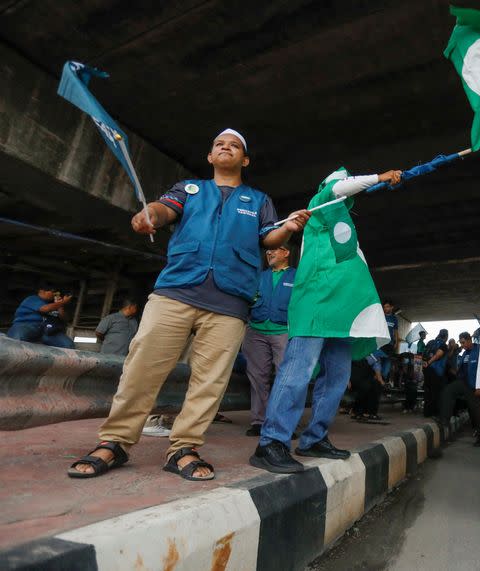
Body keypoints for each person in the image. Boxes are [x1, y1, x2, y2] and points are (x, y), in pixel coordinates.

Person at [67, 129, 310, 481]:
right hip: (176, 291)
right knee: (142, 367)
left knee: (210, 380)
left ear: (245, 160)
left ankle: (184, 447)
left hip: (230, 301)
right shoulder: (189, 189)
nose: (225, 147)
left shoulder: (258, 200)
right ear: (211, 156)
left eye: (235, 145)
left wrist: (287, 226)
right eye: (218, 144)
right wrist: (148, 214)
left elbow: (268, 237)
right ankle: (115, 442)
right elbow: (164, 211)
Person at [249, 166, 402, 474]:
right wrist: (379, 177)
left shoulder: (343, 218)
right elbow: (340, 188)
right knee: (296, 372)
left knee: (335, 378)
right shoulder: (323, 201)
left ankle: (315, 438)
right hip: (317, 303)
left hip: (341, 311)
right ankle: (271, 443)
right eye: (340, 180)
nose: (343, 185)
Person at [241, 244, 296, 436]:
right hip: (255, 331)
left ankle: (282, 423)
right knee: (257, 377)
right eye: (267, 251)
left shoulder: (296, 276)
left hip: (283, 331)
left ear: (286, 252)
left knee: (286, 378)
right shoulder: (259, 276)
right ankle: (259, 421)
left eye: (275, 249)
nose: (269, 253)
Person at [438, 331, 480, 446]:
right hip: (464, 383)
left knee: (476, 412)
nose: (462, 345)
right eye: (461, 343)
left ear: (469, 340)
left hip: (475, 386)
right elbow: (462, 371)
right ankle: (445, 421)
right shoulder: (464, 354)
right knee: (448, 391)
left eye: (463, 342)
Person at [7, 284, 75, 348]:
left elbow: (65, 319)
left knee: (68, 345)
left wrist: (61, 305)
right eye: (52, 292)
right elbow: (44, 309)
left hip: (48, 330)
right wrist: (63, 302)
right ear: (42, 291)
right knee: (16, 340)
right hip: (27, 325)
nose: (54, 294)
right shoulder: (33, 299)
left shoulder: (55, 305)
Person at [422, 329, 448, 417]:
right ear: (446, 337)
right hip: (436, 371)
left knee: (427, 391)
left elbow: (423, 352)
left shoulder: (430, 342)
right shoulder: (443, 345)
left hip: (426, 369)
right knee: (435, 392)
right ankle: (433, 413)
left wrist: (426, 363)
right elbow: (438, 355)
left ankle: (426, 412)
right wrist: (429, 362)